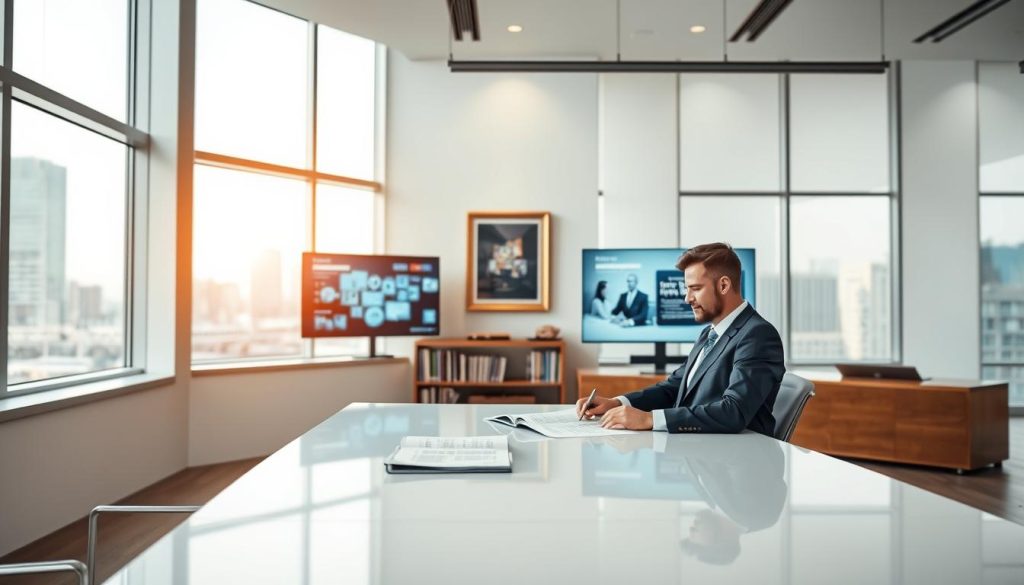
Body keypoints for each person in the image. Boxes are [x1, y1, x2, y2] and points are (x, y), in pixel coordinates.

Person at [576, 242, 785, 435]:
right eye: (687, 289)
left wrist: (650, 419)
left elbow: (734, 411)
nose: (687, 298)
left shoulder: (758, 335)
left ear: (723, 286)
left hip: (733, 463)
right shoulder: (709, 333)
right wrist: (618, 402)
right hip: (701, 453)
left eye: (695, 288)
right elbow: (673, 388)